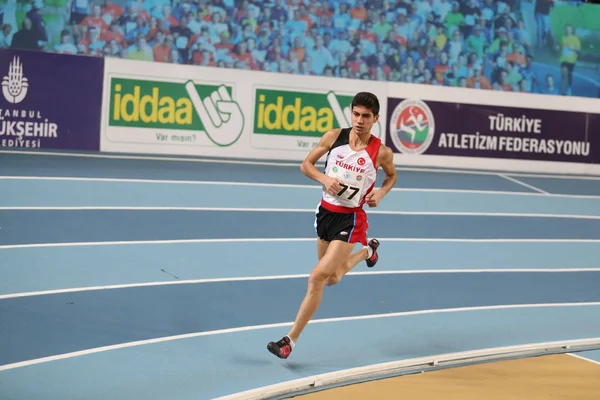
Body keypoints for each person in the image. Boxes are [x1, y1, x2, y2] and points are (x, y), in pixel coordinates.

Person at [267, 92, 398, 359]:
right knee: (332, 278)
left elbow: (392, 177)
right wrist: (324, 179)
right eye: (356, 114)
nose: (360, 121)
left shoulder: (381, 152)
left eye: (366, 116)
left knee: (316, 276)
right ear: (351, 113)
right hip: (325, 214)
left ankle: (289, 341)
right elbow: (306, 165)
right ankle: (367, 252)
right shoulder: (334, 137)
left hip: (351, 220)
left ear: (376, 119)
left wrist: (382, 193)